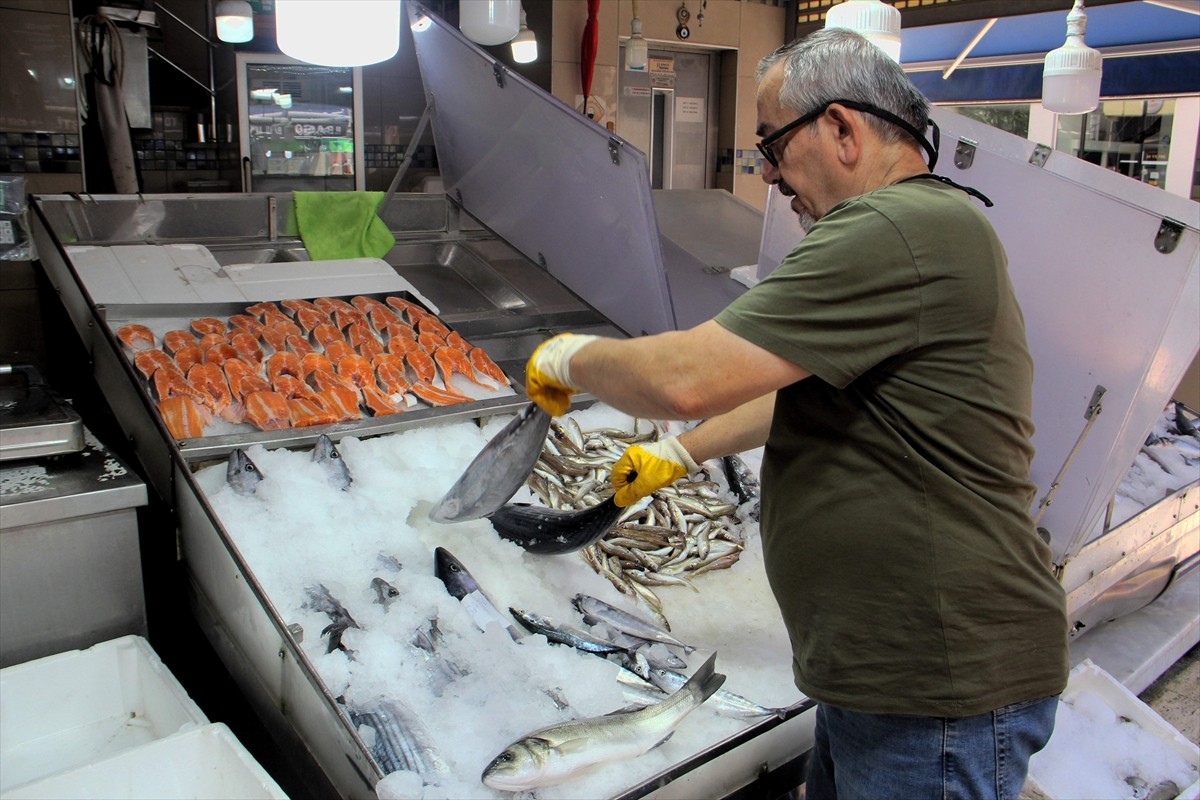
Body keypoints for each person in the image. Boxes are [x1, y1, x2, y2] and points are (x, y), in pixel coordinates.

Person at [523, 28, 1069, 800]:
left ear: (842, 128)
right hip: (883, 675)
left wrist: (568, 357)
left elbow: (684, 377)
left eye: (771, 146)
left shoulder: (896, 227)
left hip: (937, 685)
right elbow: (806, 390)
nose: (772, 177)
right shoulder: (923, 225)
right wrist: (683, 456)